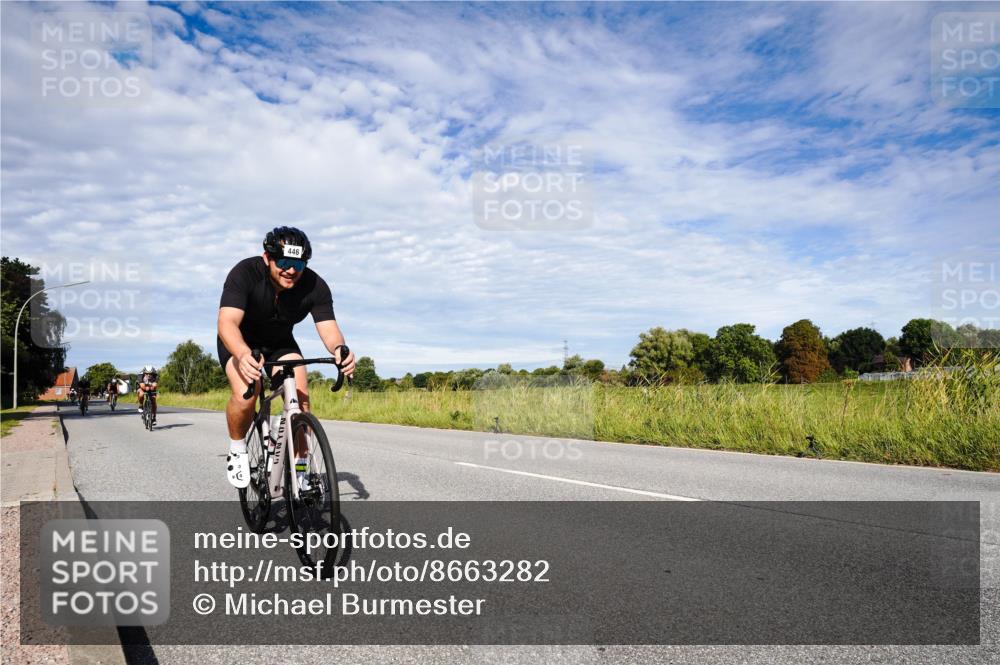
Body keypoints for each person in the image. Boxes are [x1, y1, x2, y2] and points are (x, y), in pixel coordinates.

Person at [217, 226, 355, 488]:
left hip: (280, 343)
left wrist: (339, 349)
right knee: (248, 390)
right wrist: (243, 354)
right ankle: (237, 448)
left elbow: (330, 331)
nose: (291, 270)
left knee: (300, 403)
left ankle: (301, 473)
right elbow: (227, 323)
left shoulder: (315, 285)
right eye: (283, 262)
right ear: (267, 258)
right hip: (240, 341)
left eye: (298, 263)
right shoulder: (244, 273)